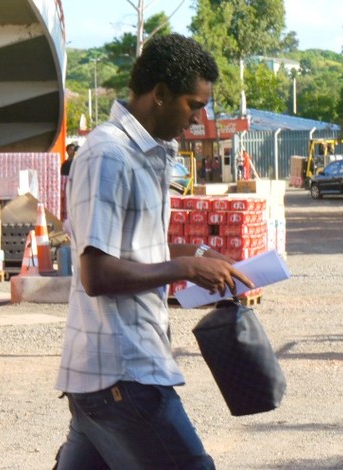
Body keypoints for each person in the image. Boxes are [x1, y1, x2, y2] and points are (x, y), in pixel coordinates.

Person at [53, 34, 254, 469]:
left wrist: (201, 255)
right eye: (193, 105)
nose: (198, 119)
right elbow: (96, 273)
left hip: (107, 379)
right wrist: (182, 267)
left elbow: (140, 248)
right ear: (159, 94)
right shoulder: (109, 154)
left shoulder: (146, 156)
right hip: (123, 374)